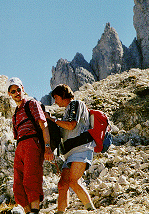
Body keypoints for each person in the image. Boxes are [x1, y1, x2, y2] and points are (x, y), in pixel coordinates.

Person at [45, 84, 96, 213]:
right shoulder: (68, 110)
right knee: (62, 184)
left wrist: (52, 119)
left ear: (63, 95)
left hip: (81, 149)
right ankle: (60, 212)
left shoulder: (75, 104)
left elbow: (72, 125)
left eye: (56, 97)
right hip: (70, 154)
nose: (55, 102)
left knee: (73, 181)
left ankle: (91, 210)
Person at [7, 77, 54, 214]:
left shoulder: (32, 104)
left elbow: (43, 125)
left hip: (32, 143)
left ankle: (35, 211)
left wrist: (47, 147)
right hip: (20, 146)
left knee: (31, 179)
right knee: (17, 185)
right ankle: (28, 211)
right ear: (9, 94)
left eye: (18, 89)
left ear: (23, 89)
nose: (17, 93)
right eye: (13, 91)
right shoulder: (15, 114)